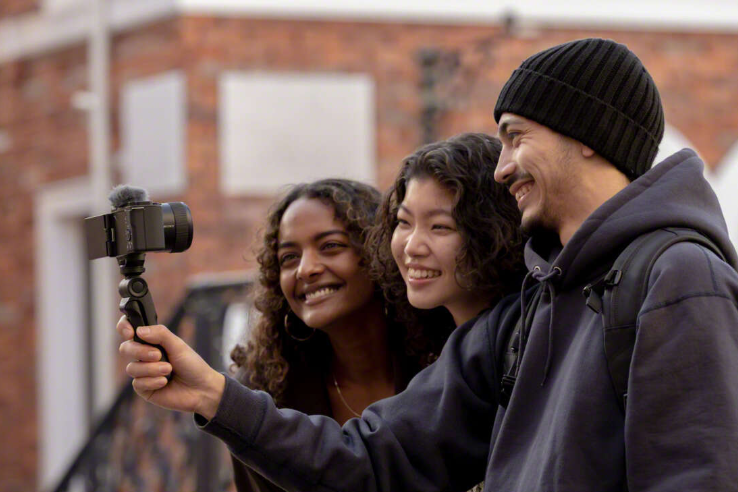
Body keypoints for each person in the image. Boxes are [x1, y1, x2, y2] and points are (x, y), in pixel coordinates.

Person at [118, 38, 738, 491]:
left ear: (588, 137)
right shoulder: (528, 311)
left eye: (517, 136)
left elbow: (697, 477)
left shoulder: (680, 276)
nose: (503, 167)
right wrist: (211, 394)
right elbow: (375, 460)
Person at [224, 178, 452, 491]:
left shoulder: (445, 358)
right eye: (289, 257)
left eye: (330, 246)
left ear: (378, 252)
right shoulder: (264, 391)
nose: (306, 269)